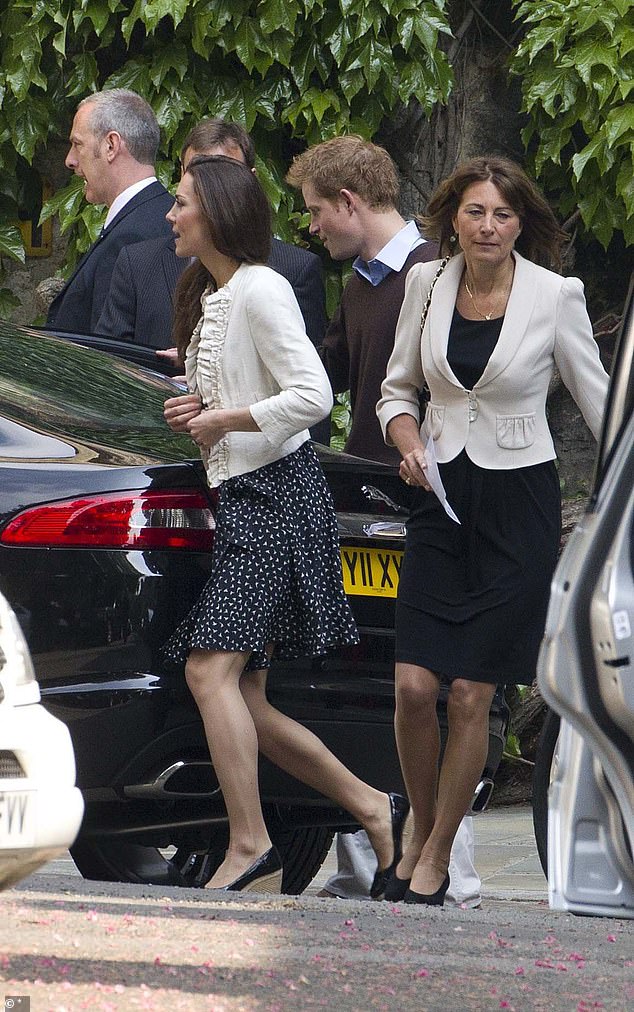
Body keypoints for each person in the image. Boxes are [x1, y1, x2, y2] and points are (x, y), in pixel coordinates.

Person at [161, 154, 409, 893]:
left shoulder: (262, 290)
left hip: (274, 500)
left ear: (217, 213)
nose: (171, 216)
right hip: (247, 498)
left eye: (181, 204)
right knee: (249, 699)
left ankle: (250, 844)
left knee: (210, 671)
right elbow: (236, 400)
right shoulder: (215, 295)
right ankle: (373, 807)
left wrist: (227, 418)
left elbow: (310, 398)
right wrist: (193, 412)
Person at [376, 155, 609, 905]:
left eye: (502, 215)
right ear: (453, 218)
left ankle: (438, 853)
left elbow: (602, 404)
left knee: (472, 693)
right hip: (440, 499)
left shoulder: (555, 296)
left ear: (521, 224)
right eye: (475, 212)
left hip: (519, 509)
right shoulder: (426, 283)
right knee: (414, 686)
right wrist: (409, 443)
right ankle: (418, 826)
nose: (488, 227)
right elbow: (395, 390)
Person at [287, 134, 481, 908]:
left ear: (347, 204)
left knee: (434, 686)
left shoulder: (438, 273)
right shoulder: (363, 283)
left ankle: (449, 866)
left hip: (430, 509)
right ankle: (371, 866)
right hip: (366, 508)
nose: (310, 230)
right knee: (368, 682)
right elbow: (330, 370)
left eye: (313, 213)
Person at [47, 89, 173, 333]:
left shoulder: (136, 235)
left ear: (111, 146)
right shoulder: (151, 216)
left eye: (77, 144)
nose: (70, 160)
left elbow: (112, 353)